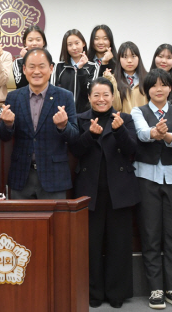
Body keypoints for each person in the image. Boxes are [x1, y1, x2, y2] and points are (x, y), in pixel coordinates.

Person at [70, 77, 140, 309]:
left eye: (106, 95)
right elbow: (76, 150)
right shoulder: (80, 119)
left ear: (113, 97)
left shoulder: (124, 119)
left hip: (119, 190)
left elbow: (132, 150)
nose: (101, 99)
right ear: (89, 97)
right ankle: (94, 293)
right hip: (89, 190)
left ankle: (117, 293)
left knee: (118, 244)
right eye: (96, 95)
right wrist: (89, 134)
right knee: (91, 245)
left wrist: (119, 131)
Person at [132, 68, 172, 310]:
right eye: (153, 85)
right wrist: (154, 132)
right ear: (146, 89)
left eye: (163, 84)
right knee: (150, 234)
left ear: (170, 88)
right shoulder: (138, 111)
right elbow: (141, 133)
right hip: (145, 177)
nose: (159, 89)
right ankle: (155, 289)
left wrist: (166, 137)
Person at [0, 48, 79, 199]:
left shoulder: (65, 96)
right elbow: (4, 137)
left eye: (42, 66)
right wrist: (8, 124)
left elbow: (75, 136)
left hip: (53, 176)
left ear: (50, 68)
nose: (36, 71)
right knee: (20, 222)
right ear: (24, 69)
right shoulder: (13, 97)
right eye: (31, 66)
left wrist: (63, 126)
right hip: (21, 175)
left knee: (55, 223)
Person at [52, 29, 99, 113]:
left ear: (83, 44)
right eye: (70, 45)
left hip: (85, 115)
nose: (74, 47)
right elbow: (52, 91)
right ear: (65, 47)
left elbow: (90, 91)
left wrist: (80, 69)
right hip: (62, 114)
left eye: (77, 43)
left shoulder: (93, 67)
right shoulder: (59, 67)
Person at [103, 41, 148, 112]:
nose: (129, 61)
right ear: (119, 59)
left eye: (133, 56)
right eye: (125, 57)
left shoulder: (147, 78)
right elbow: (115, 107)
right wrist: (112, 81)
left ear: (139, 58)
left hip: (144, 122)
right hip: (122, 121)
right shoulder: (112, 79)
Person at [13, 25, 47, 89]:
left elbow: (49, 83)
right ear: (25, 43)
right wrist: (26, 60)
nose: (34, 43)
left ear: (43, 42)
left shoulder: (48, 61)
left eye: (38, 40)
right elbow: (20, 84)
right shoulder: (18, 62)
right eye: (30, 40)